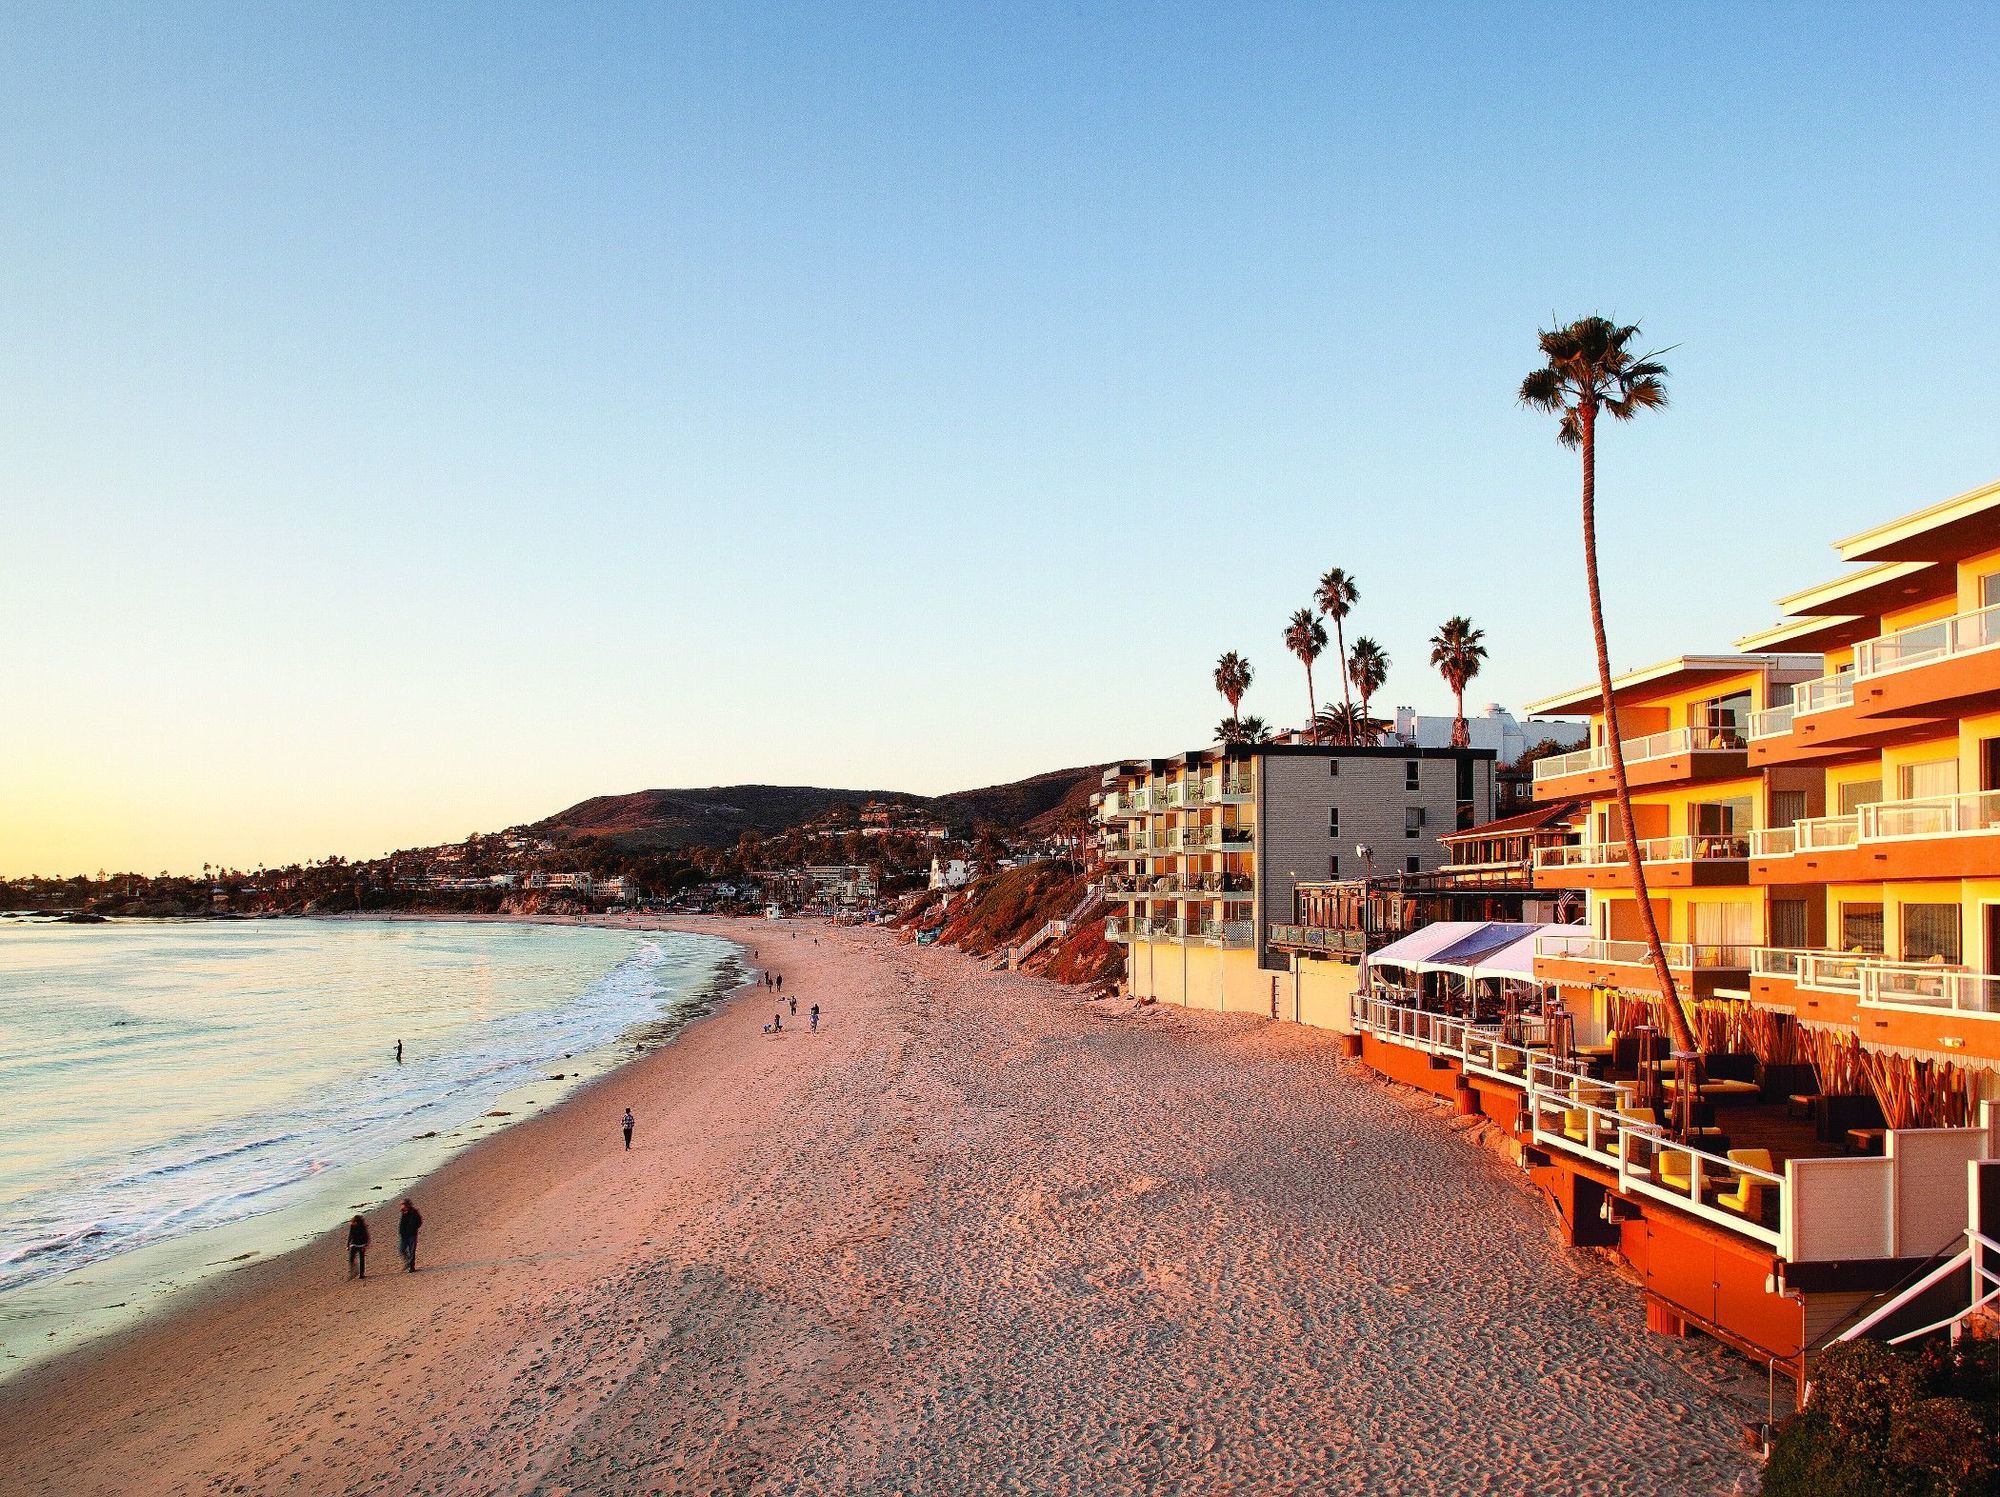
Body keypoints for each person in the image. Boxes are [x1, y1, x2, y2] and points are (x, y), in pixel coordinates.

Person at [398, 1198, 423, 1272]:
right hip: (404, 1235)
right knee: (402, 1249)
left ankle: (411, 1267)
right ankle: (408, 1262)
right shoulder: (403, 1213)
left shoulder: (414, 1212)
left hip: (412, 1235)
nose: (401, 1206)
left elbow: (419, 1222)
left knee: (412, 1251)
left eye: (402, 1204)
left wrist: (414, 1229)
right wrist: (401, 1232)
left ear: (406, 1205)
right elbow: (402, 1224)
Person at [346, 1214, 370, 1280]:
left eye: (353, 1222)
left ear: (357, 1222)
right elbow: (350, 1235)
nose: (352, 1223)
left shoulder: (362, 1227)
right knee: (351, 1258)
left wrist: (365, 1244)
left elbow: (366, 1236)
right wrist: (348, 1244)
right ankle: (355, 1270)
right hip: (354, 1244)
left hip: (361, 1244)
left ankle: (362, 1274)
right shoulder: (352, 1226)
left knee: (361, 1259)